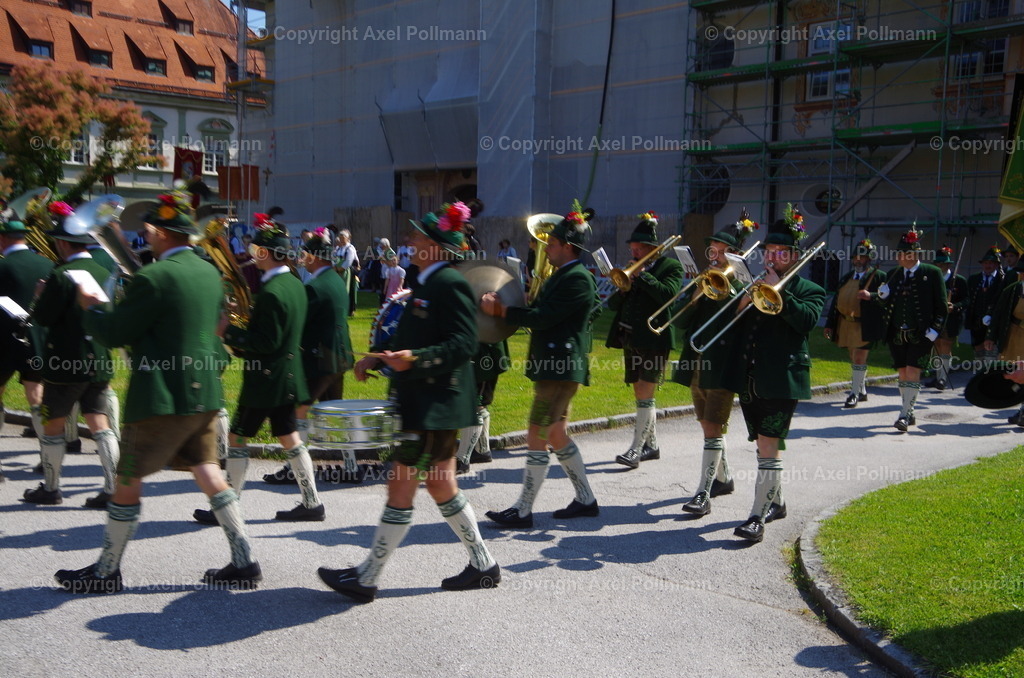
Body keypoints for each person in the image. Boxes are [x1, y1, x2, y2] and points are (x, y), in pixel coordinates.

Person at [55, 190, 260, 593]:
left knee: (128, 475)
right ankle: (244, 560)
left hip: (161, 396)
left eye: (150, 228)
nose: (145, 234)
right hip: (203, 391)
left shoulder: (152, 277)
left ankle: (106, 571)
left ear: (164, 233)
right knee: (208, 471)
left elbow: (115, 332)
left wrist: (92, 305)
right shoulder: (207, 272)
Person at [319, 202, 500, 603]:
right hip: (430, 402)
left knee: (401, 487)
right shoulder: (426, 281)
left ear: (436, 246)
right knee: (440, 485)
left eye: (418, 237)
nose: (410, 241)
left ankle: (367, 577)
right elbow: (411, 339)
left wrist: (416, 360)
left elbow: (464, 343)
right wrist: (377, 358)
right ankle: (484, 565)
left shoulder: (449, 284)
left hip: (435, 404)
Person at [482, 205, 600, 529]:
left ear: (567, 247)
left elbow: (544, 318)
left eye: (552, 243)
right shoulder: (563, 276)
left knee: (537, 432)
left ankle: (522, 509)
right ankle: (586, 500)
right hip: (555, 366)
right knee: (557, 433)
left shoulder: (578, 279)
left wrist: (502, 311)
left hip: (560, 367)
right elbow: (541, 310)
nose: (546, 247)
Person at [205, 213, 325, 523]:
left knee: (238, 438)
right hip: (286, 375)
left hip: (266, 379)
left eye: (256, 249)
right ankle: (312, 503)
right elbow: (277, 330)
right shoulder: (293, 282)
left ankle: (227, 507)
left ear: (266, 254)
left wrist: (227, 331)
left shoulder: (272, 291)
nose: (251, 254)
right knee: (290, 438)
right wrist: (242, 315)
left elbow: (266, 341)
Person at [722, 206, 825, 543]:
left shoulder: (810, 289)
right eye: (768, 252)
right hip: (751, 378)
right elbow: (735, 329)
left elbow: (806, 321)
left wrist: (779, 290)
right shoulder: (754, 285)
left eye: (779, 253)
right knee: (762, 444)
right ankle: (776, 501)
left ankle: (757, 516)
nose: (771, 258)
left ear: (793, 256)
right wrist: (740, 302)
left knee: (769, 444)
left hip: (783, 379)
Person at [23, 204, 120, 508]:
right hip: (100, 358)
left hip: (66, 361)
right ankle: (112, 487)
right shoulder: (106, 270)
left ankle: (51, 488)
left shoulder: (62, 274)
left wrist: (40, 295)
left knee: (54, 423)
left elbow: (44, 318)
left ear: (64, 244)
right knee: (99, 423)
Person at [673, 213, 756, 517]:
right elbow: (680, 323)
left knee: (712, 426)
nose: (716, 257)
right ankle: (723, 478)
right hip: (697, 363)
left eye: (722, 252)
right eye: (713, 251)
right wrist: (695, 292)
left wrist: (725, 289)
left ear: (734, 256)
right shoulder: (704, 282)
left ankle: (703, 493)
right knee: (707, 426)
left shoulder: (743, 285)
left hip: (722, 365)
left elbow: (738, 320)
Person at [263, 227, 355, 485]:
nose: (302, 258)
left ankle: (296, 469)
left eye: (305, 255)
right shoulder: (335, 279)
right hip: (339, 356)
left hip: (320, 359)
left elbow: (297, 320)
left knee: (298, 410)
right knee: (336, 411)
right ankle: (350, 466)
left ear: (316, 257)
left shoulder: (315, 286)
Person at [605, 211, 683, 469]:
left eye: (639, 248)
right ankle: (652, 445)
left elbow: (668, 295)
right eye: (633, 248)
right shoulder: (632, 270)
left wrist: (642, 276)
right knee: (640, 390)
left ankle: (636, 449)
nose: (635, 252)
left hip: (655, 338)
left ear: (652, 249)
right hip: (632, 338)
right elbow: (614, 305)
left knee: (645, 389)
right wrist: (623, 286)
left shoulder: (670, 267)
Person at [867, 225, 947, 432]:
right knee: (902, 372)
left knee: (913, 370)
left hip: (921, 333)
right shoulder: (894, 274)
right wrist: (881, 297)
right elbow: (886, 305)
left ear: (913, 254)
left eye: (902, 253)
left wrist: (935, 330)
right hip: (896, 333)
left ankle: (904, 414)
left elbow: (941, 305)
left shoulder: (932, 272)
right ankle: (907, 408)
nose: (898, 257)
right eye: (899, 253)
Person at [0, 208, 54, 481]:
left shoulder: (2, 265)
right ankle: (47, 459)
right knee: (37, 397)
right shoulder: (47, 264)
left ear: (4, 240)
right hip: (37, 339)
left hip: (4, 340)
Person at [823, 239, 886, 407]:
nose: (858, 260)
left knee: (859, 358)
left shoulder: (879, 276)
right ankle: (862, 389)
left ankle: (854, 393)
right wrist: (829, 323)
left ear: (869, 259)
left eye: (862, 257)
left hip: (864, 324)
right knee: (853, 357)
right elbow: (836, 302)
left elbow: (887, 299)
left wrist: (871, 296)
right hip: (846, 324)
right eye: (856, 257)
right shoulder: (846, 278)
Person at [986, 259, 1024, 425]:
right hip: (1015, 336)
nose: (1021, 274)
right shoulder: (1012, 290)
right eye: (1020, 271)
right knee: (1016, 374)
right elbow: (998, 315)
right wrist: (991, 337)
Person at [928, 245, 968, 390]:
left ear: (949, 264)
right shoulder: (932, 278)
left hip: (951, 320)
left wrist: (955, 306)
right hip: (935, 319)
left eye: (944, 263)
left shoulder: (960, 280)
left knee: (945, 345)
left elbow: (966, 300)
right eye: (939, 263)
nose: (942, 265)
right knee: (937, 346)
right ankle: (938, 376)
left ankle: (943, 379)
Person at [965, 246, 1006, 369]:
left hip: (993, 320)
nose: (988, 266)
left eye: (991, 263)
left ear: (996, 265)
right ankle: (979, 372)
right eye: (986, 263)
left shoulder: (1001, 279)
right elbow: (968, 298)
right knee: (978, 347)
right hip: (976, 319)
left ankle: (989, 373)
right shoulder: (974, 279)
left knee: (991, 347)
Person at [334, 228, 360, 316]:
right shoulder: (338, 248)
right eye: (340, 238)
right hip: (338, 271)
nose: (341, 240)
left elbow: (349, 261)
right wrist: (334, 267)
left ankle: (350, 310)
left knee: (349, 290)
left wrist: (340, 268)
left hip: (348, 271)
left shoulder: (350, 248)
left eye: (343, 238)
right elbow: (334, 258)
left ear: (348, 238)